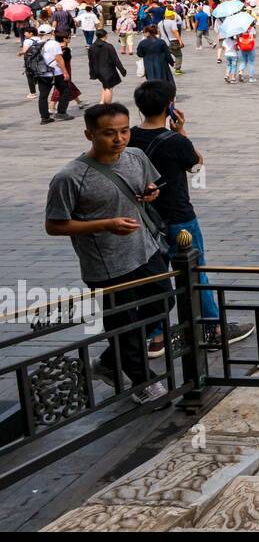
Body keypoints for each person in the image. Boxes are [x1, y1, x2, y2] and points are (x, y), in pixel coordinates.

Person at [44, 103, 173, 402]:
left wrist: (151, 191)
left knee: (163, 303)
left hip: (146, 250)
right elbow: (54, 225)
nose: (119, 139)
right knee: (124, 324)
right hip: (108, 265)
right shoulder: (70, 177)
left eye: (125, 131)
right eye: (109, 133)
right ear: (89, 134)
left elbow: (148, 186)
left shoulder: (136, 156)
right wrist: (106, 225)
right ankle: (143, 384)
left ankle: (108, 362)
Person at [130, 81, 253, 349]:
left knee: (155, 279)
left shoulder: (128, 137)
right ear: (169, 106)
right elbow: (197, 165)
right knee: (195, 272)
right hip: (179, 218)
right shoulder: (174, 141)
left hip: (145, 222)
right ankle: (213, 328)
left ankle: (155, 335)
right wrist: (182, 130)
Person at [28, 24, 73, 123]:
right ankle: (61, 112)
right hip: (55, 73)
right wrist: (65, 72)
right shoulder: (54, 43)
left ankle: (44, 118)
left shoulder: (36, 43)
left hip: (41, 73)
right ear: (51, 33)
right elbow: (59, 58)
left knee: (43, 96)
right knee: (66, 91)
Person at [87, 29, 127, 104]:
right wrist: (122, 70)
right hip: (108, 70)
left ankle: (102, 102)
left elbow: (90, 61)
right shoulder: (108, 46)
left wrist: (91, 72)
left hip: (97, 70)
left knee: (105, 85)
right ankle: (107, 105)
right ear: (105, 35)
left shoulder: (91, 47)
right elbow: (116, 60)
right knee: (109, 87)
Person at [160, 8, 185, 75]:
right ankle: (177, 69)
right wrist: (180, 41)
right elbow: (175, 32)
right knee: (178, 55)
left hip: (163, 42)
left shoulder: (160, 23)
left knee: (165, 56)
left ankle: (163, 70)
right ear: (171, 16)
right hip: (173, 41)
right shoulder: (172, 22)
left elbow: (159, 33)